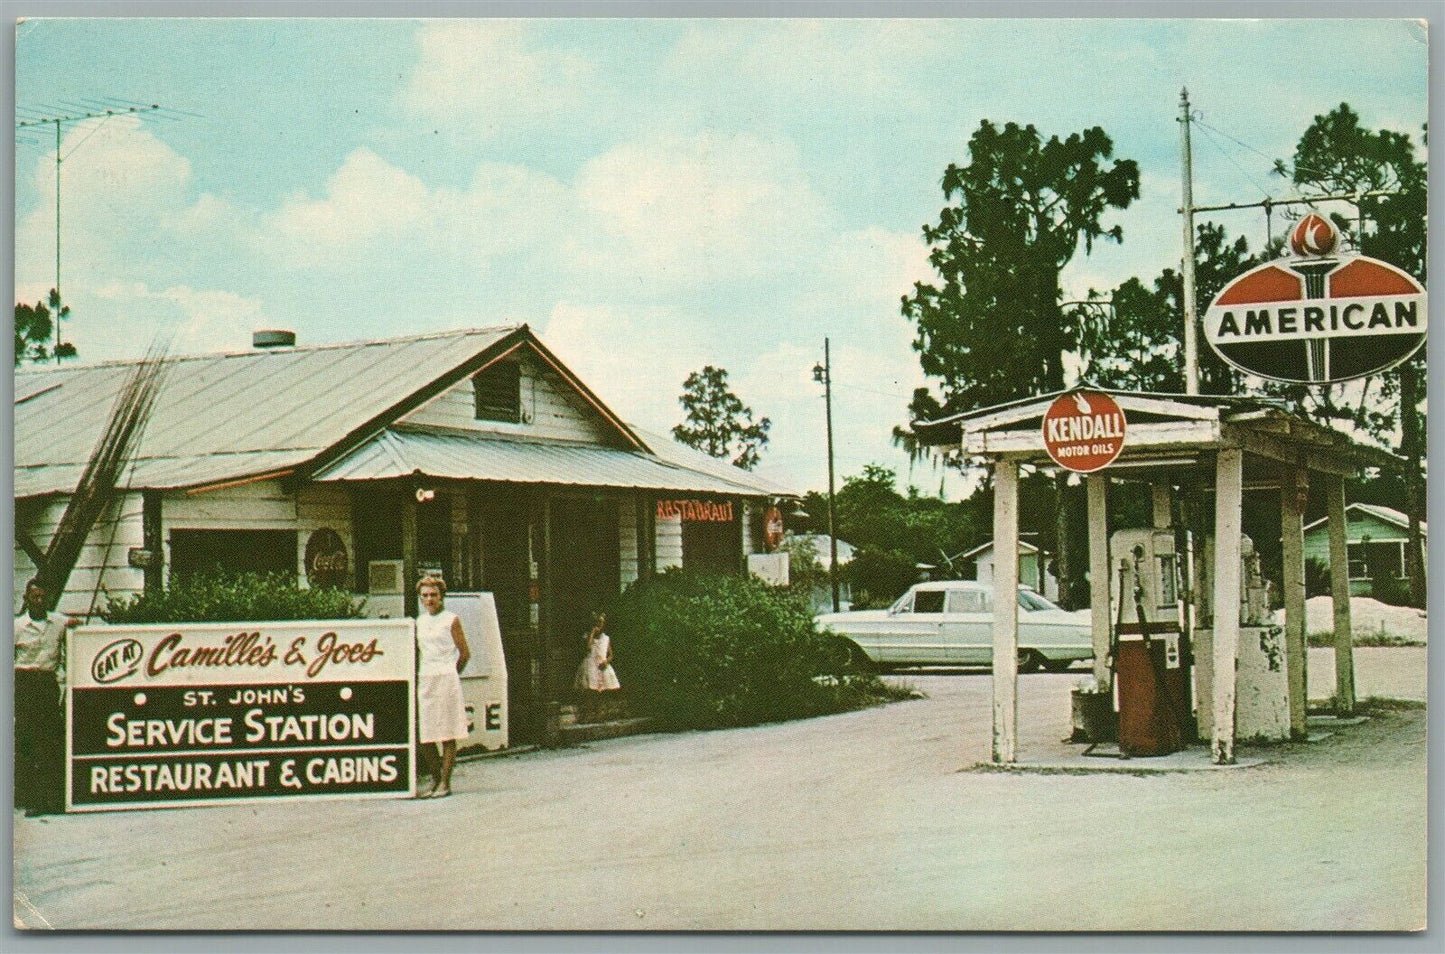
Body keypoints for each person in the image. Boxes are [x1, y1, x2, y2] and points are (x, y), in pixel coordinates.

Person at [15, 579, 81, 815]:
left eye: (43, 597)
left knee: (49, 741)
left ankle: (49, 799)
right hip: (23, 683)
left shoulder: (58, 622)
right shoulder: (16, 627)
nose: (40, 601)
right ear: (27, 599)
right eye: (35, 597)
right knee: (26, 741)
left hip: (47, 684)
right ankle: (26, 797)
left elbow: (77, 625)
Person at [414, 575, 469, 799]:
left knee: (447, 732)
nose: (429, 599)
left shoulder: (451, 619)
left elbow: (465, 653)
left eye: (433, 595)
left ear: (441, 596)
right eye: (425, 596)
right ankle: (435, 779)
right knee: (426, 734)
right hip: (426, 678)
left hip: (446, 677)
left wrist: (452, 672)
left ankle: (445, 783)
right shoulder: (419, 621)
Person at [573, 612, 621, 722]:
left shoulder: (606, 638)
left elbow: (611, 654)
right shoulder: (587, 635)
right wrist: (592, 633)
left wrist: (606, 662)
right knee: (590, 690)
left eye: (601, 622)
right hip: (591, 663)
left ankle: (599, 715)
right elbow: (588, 648)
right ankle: (588, 715)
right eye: (597, 622)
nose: (599, 624)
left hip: (601, 664)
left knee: (602, 692)